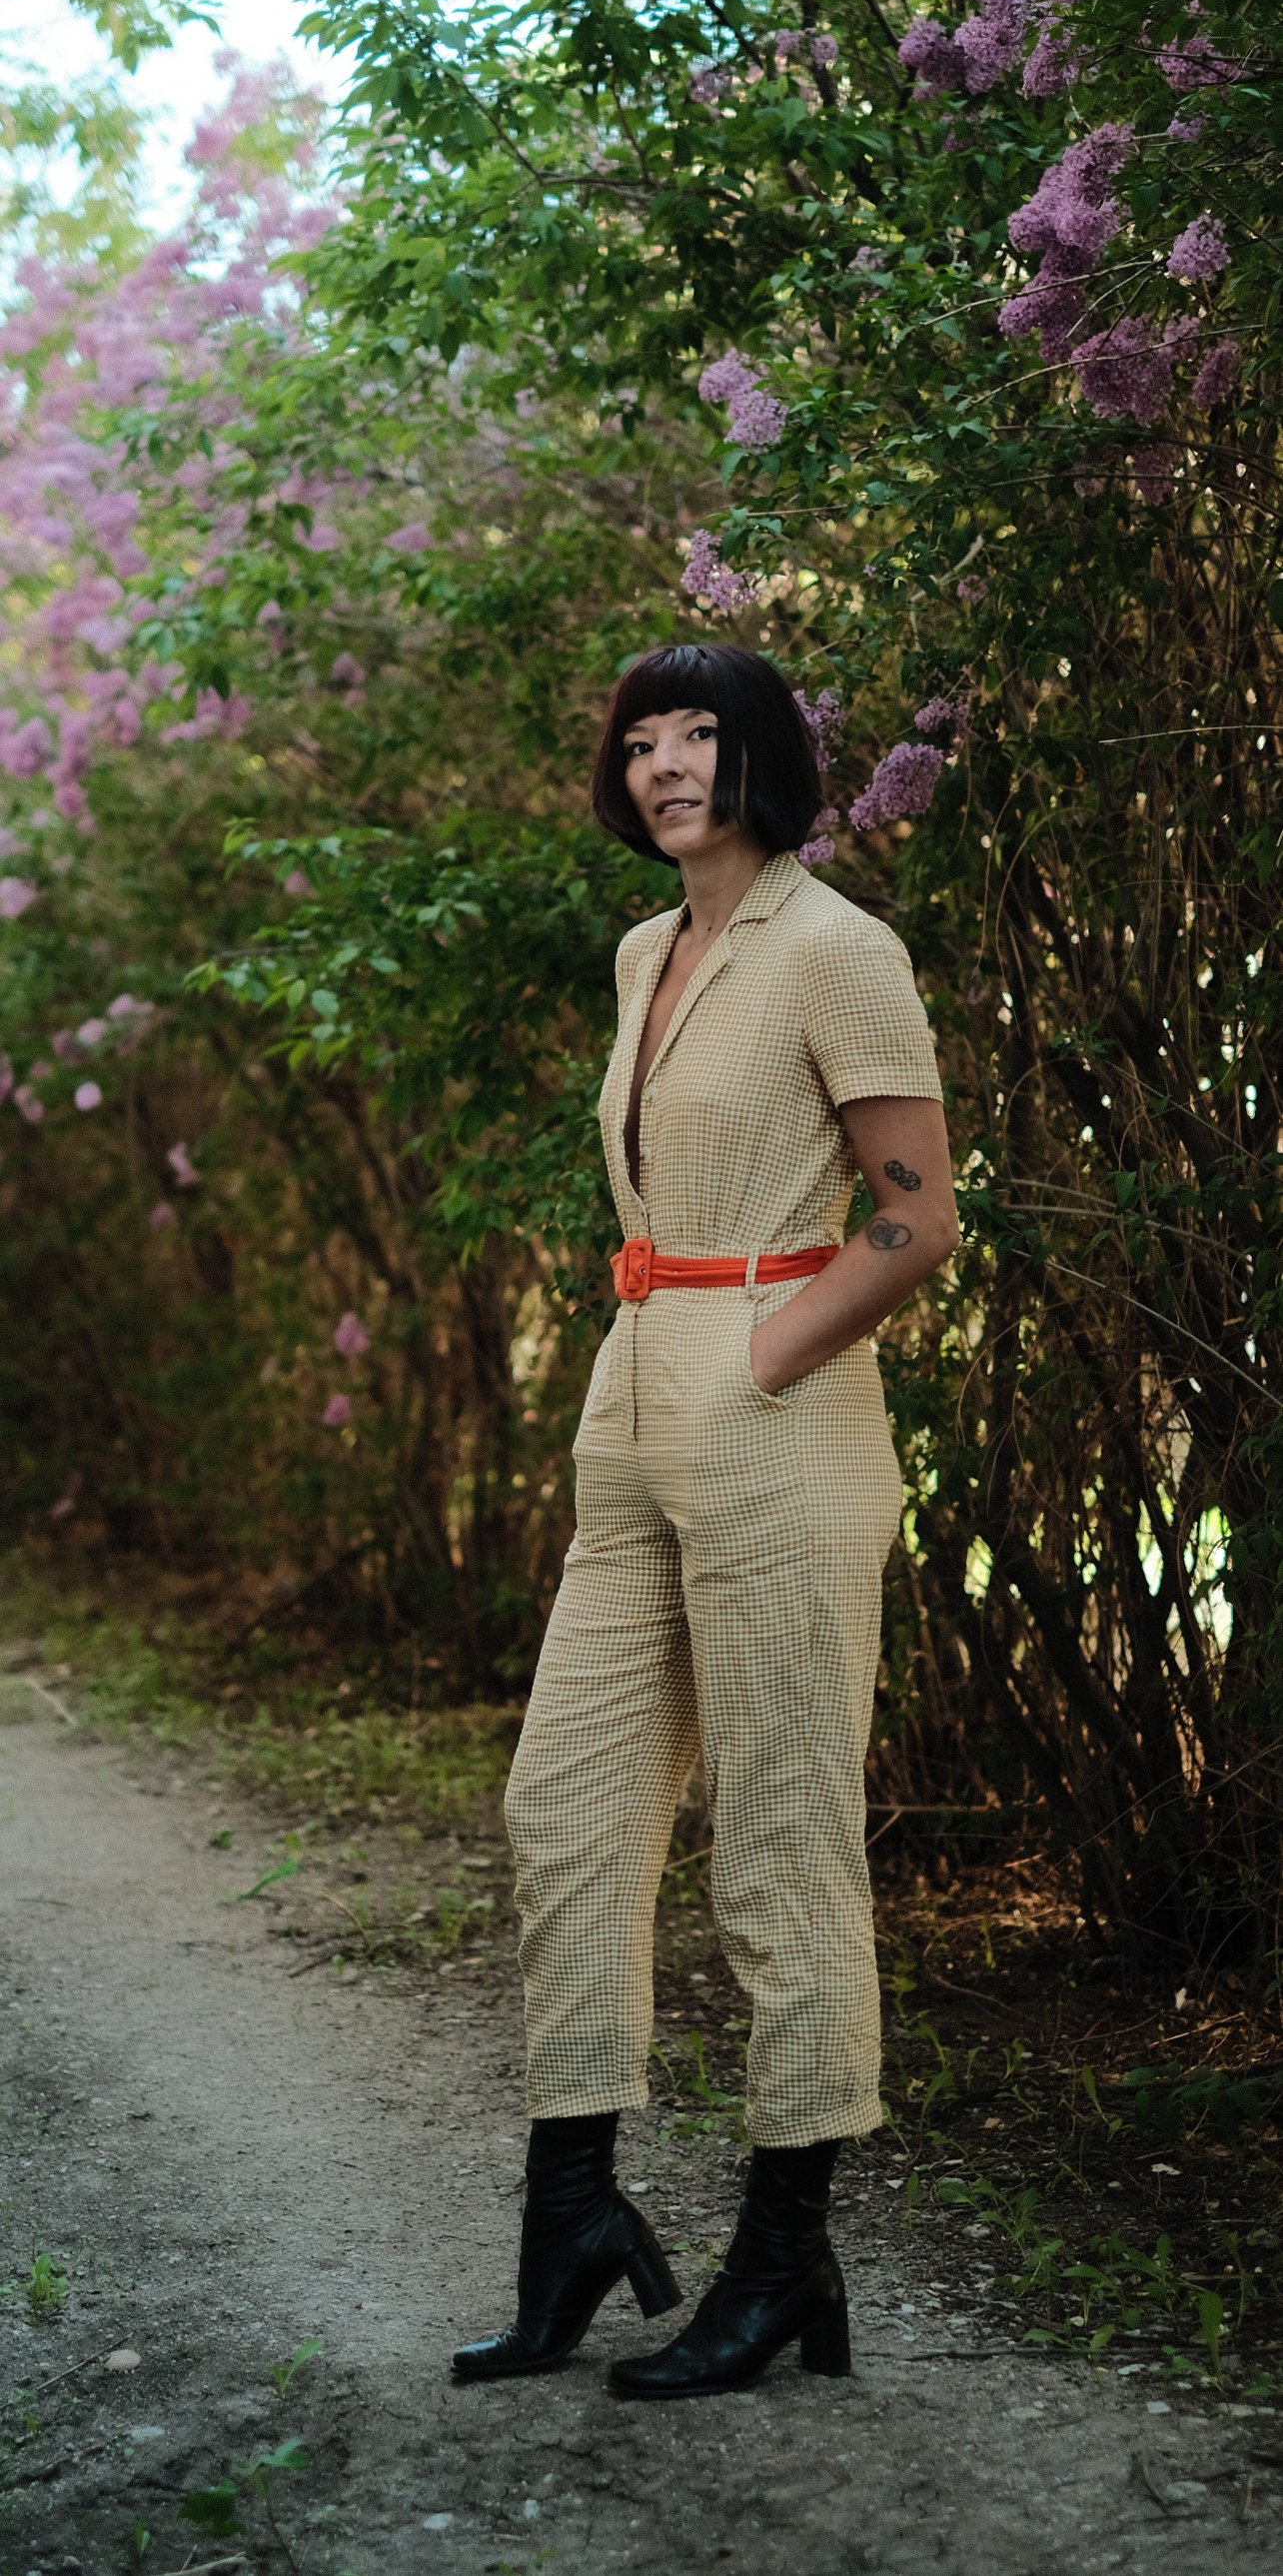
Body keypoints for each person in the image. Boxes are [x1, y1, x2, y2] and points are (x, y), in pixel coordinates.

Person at [454, 643, 958, 2399]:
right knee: (566, 1804)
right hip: (632, 1395)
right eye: (642, 741)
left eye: (701, 735)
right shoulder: (642, 951)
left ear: (764, 759)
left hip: (776, 1410)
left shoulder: (839, 948)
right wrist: (673, 1364)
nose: (666, 764)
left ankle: (783, 2251)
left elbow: (916, 1214)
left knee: (780, 1841)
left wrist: (763, 1354)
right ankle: (575, 2213)